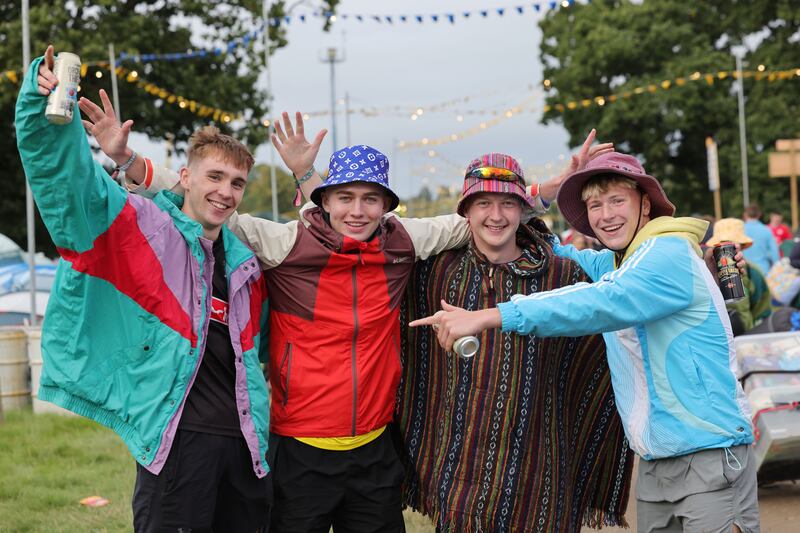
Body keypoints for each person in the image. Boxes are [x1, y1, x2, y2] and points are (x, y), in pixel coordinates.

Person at [84, 102, 576, 530]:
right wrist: (127, 159)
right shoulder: (286, 243)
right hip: (300, 449)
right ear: (325, 201)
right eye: (345, 198)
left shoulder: (404, 239)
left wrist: (551, 189)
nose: (357, 211)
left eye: (370, 199)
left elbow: (484, 215)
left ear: (386, 206)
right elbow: (208, 202)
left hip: (375, 450)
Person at [413, 152, 760, 533]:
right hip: (657, 461)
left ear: (645, 204)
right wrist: (527, 199)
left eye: (617, 201)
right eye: (595, 204)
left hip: (711, 454)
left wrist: (489, 315)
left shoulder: (669, 254)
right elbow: (550, 249)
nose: (606, 214)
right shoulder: (620, 261)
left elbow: (598, 302)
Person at [20, 47, 272, 532]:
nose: (225, 191)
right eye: (215, 176)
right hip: (178, 444)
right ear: (185, 178)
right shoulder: (148, 227)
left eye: (237, 183)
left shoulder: (245, 266)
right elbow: (70, 184)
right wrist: (42, 104)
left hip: (246, 449)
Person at [396, 152, 633, 531]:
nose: (496, 215)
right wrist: (307, 179)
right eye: (483, 203)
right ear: (466, 211)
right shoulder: (435, 273)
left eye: (508, 203)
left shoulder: (564, 275)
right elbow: (358, 244)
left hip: (540, 475)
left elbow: (627, 304)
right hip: (458, 478)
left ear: (522, 209)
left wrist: (707, 266)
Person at [706, 218, 773, 334]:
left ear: (742, 246)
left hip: (745, 337)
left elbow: (762, 311)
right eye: (722, 243)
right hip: (716, 336)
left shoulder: (754, 273)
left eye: (733, 243)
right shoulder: (704, 271)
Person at [743, 204, 779, 274]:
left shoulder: (740, 230)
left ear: (745, 215)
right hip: (763, 270)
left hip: (744, 270)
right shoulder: (766, 230)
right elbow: (774, 252)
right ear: (759, 215)